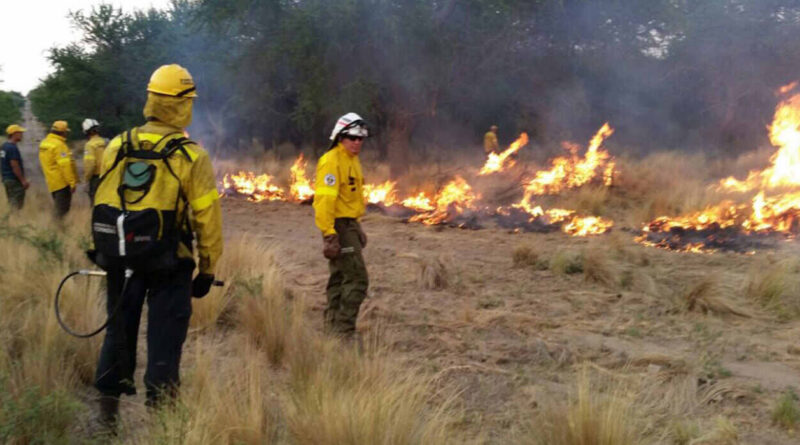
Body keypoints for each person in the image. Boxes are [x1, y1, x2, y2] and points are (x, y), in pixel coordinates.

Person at [91, 64, 223, 430]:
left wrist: (103, 250)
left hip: (120, 258)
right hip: (171, 265)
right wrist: (208, 269)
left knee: (118, 335)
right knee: (165, 341)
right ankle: (163, 427)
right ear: (182, 105)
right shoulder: (192, 155)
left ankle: (106, 424)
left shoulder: (118, 144)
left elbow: (101, 200)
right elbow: (206, 219)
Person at [312, 112, 370, 340]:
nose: (357, 142)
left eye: (361, 138)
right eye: (352, 137)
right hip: (338, 228)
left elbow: (351, 198)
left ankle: (332, 328)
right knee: (357, 279)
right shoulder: (331, 161)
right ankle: (344, 332)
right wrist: (329, 234)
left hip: (349, 225)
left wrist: (357, 227)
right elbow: (324, 201)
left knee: (339, 277)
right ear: (340, 136)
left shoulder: (352, 159)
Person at [39, 120, 78, 218]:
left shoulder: (44, 143)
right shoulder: (59, 145)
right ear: (63, 132)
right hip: (62, 183)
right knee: (62, 211)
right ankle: (56, 230)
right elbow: (65, 165)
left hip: (52, 182)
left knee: (58, 207)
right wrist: (72, 182)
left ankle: (57, 229)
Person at [1, 124, 29, 210]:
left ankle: (9, 221)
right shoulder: (12, 148)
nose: (22, 135)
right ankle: (14, 221)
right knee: (17, 205)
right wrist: (23, 180)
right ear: (14, 134)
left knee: (11, 203)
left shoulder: (4, 146)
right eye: (20, 133)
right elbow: (15, 166)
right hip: (14, 180)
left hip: (6, 179)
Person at [82, 118, 105, 201]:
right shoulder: (105, 142)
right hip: (108, 176)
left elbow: (90, 165)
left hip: (96, 178)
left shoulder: (89, 145)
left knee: (95, 202)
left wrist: (86, 180)